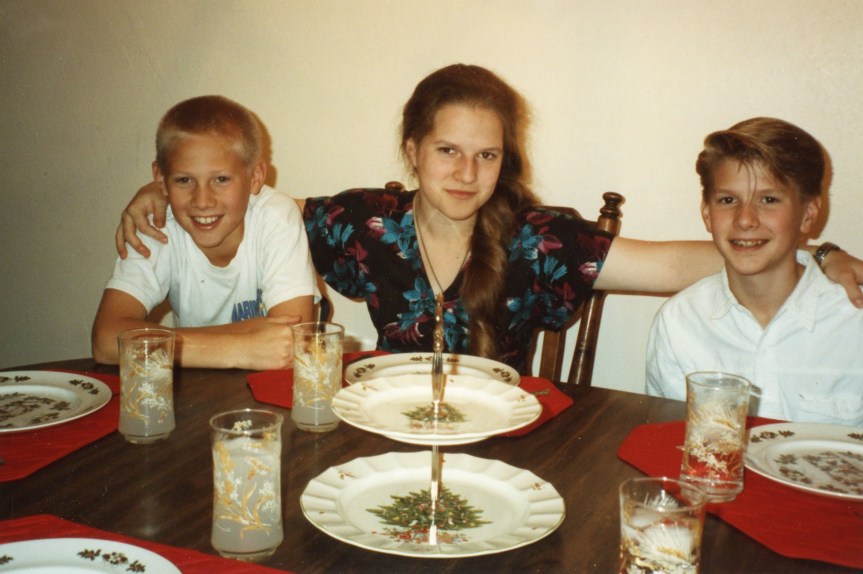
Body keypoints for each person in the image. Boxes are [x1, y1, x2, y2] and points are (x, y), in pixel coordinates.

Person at [114, 65, 863, 376]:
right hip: (383, 434)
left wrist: (816, 250)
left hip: (498, 448)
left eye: (486, 155)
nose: (466, 174)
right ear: (412, 150)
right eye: (446, 151)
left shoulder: (539, 239)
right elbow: (246, 205)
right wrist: (161, 200)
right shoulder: (361, 223)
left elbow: (681, 262)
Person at [646, 118, 862, 425]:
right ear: (707, 214)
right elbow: (668, 441)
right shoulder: (679, 323)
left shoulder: (854, 321)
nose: (745, 219)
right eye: (728, 200)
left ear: (808, 214)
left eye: (769, 199)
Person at [92, 95, 318, 370]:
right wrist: (240, 348)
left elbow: (289, 344)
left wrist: (159, 344)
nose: (202, 200)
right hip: (196, 391)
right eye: (184, 180)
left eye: (221, 179)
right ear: (161, 180)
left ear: (256, 176)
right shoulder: (157, 225)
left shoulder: (275, 215)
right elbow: (105, 341)